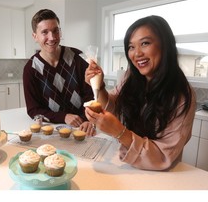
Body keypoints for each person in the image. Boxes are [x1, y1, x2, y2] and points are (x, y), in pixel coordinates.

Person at [84, 15, 196, 170]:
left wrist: (120, 132)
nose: (136, 54)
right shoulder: (130, 77)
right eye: (131, 47)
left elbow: (163, 156)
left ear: (165, 45)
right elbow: (113, 106)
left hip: (160, 174)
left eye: (145, 43)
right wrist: (99, 85)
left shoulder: (181, 96)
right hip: (127, 165)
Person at [23, 9, 95, 133]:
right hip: (52, 130)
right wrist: (64, 117)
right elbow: (33, 110)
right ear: (35, 36)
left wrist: (88, 119)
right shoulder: (30, 69)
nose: (52, 37)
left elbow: (90, 95)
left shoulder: (77, 57)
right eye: (45, 32)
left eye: (55, 30)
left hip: (83, 127)